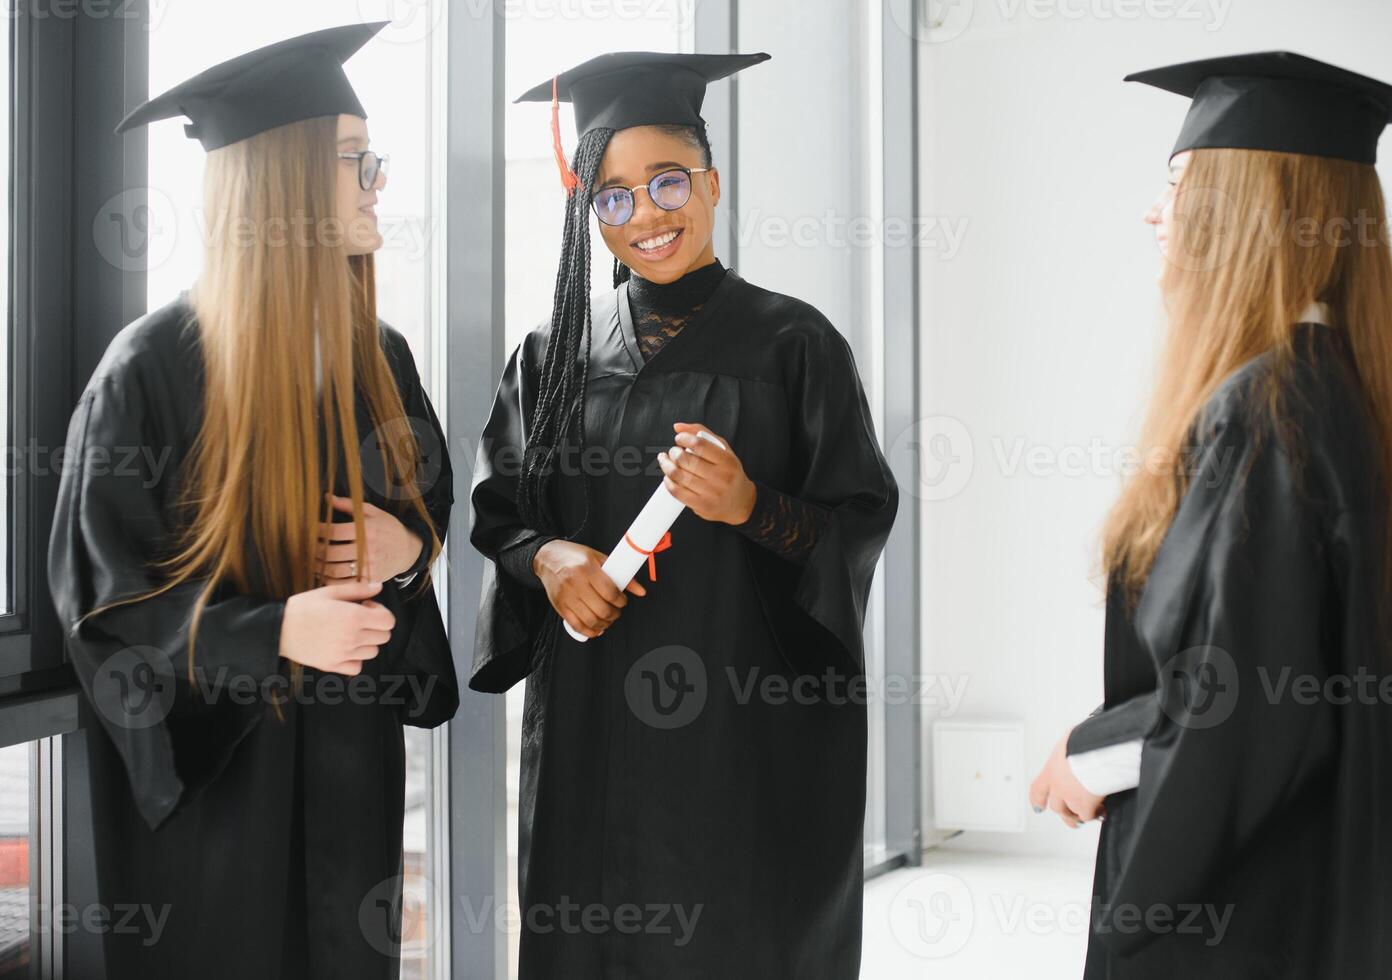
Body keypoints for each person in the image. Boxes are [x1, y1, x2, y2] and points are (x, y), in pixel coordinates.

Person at [1028, 52, 1392, 978]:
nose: (1156, 210)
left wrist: (1089, 756)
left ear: (1246, 208)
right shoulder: (1339, 387)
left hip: (1255, 907)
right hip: (1327, 874)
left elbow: (1243, 703)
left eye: (1179, 183)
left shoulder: (1264, 409)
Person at [469, 51, 899, 979]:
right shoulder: (552, 352)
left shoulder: (795, 344)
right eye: (613, 196)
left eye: (667, 181)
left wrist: (748, 504)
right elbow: (500, 511)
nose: (647, 214)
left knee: (731, 937)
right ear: (592, 212)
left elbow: (856, 522)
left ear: (709, 179)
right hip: (591, 725)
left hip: (740, 730)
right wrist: (549, 563)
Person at [46, 23, 456, 978]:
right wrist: (271, 631)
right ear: (285, 183)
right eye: (357, 161)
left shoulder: (378, 357)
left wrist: (405, 551)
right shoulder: (146, 372)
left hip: (351, 776)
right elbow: (104, 603)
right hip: (221, 797)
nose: (378, 181)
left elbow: (420, 520)